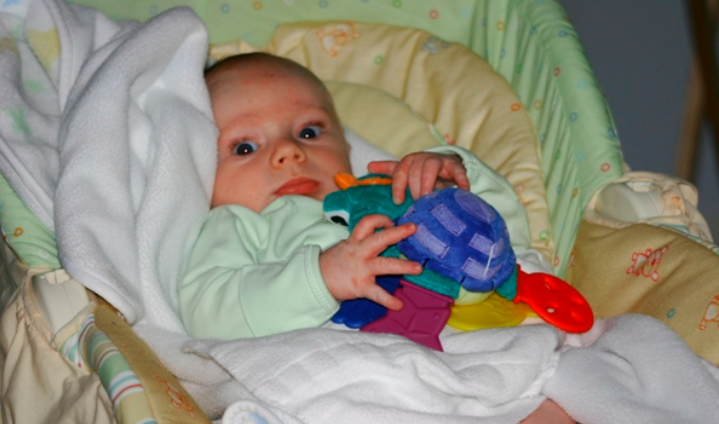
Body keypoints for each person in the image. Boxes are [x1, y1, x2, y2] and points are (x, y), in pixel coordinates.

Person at [180, 52, 575, 424]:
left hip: (463, 361)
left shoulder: (394, 191)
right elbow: (209, 314)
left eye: (308, 131)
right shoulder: (239, 223)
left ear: (345, 144)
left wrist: (455, 180)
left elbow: (507, 239)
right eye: (244, 147)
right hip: (343, 379)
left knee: (581, 368)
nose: (289, 151)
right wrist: (318, 279)